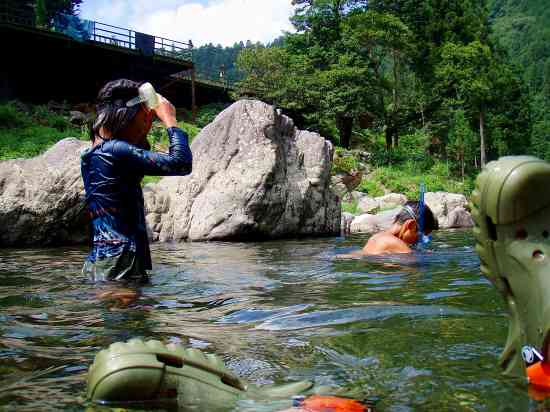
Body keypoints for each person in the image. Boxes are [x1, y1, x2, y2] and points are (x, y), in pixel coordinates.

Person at [81, 79, 192, 283]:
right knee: (128, 315)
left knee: (125, 313)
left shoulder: (95, 154)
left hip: (105, 258)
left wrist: (142, 121)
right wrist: (169, 119)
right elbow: (181, 163)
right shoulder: (116, 151)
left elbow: (139, 147)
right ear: (127, 115)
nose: (147, 124)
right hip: (121, 262)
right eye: (144, 117)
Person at [361, 200, 438, 255]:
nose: (418, 242)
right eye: (421, 236)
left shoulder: (376, 237)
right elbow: (413, 272)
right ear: (411, 225)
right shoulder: (397, 244)